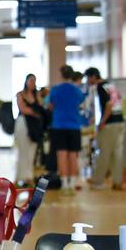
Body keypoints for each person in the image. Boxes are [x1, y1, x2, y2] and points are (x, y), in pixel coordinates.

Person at [85, 67, 125, 190]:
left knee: (104, 152)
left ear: (92, 77)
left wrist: (103, 121)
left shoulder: (100, 87)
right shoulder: (111, 86)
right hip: (120, 122)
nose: (87, 81)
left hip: (109, 124)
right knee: (117, 153)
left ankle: (98, 181)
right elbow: (119, 100)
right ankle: (118, 181)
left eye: (88, 78)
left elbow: (109, 104)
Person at [48, 66, 86, 194]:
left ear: (61, 75)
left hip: (59, 126)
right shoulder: (77, 91)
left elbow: (50, 105)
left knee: (62, 155)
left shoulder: (55, 90)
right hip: (74, 126)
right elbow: (80, 103)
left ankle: (64, 185)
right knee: (73, 156)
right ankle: (72, 183)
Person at [15, 73, 44, 186]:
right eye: (31, 80)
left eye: (34, 81)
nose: (32, 83)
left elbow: (41, 107)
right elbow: (22, 109)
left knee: (32, 151)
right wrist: (33, 112)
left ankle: (29, 176)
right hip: (23, 123)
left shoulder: (37, 95)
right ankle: (19, 177)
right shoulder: (20, 94)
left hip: (34, 125)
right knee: (23, 150)